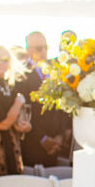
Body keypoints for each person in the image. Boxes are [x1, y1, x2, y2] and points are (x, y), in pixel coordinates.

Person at [17, 31, 70, 168]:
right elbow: (25, 112)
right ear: (29, 50)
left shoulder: (55, 71)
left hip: (55, 145)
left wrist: (60, 136)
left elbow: (62, 106)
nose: (44, 51)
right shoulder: (21, 75)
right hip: (33, 145)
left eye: (46, 47)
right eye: (39, 48)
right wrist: (43, 139)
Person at [0, 46, 31, 187]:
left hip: (12, 150)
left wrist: (23, 126)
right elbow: (3, 123)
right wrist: (19, 102)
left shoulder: (8, 85)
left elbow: (15, 123)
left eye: (5, 59)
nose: (1, 63)